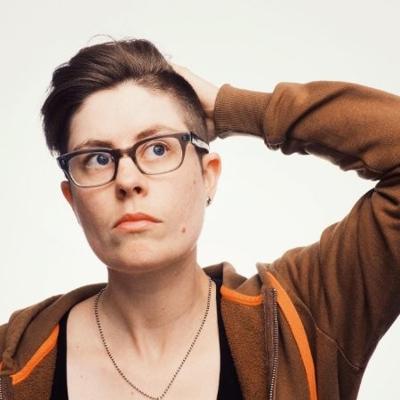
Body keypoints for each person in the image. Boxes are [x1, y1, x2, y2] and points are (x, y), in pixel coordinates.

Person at [0, 38, 399, 400]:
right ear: (72, 199)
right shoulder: (13, 361)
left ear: (208, 176)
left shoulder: (303, 315)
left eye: (157, 148)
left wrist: (231, 109)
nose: (127, 180)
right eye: (98, 158)